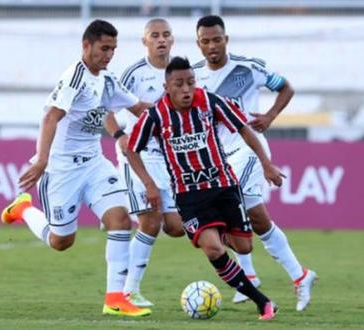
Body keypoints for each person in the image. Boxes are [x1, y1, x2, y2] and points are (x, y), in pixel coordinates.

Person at [0, 19, 152, 317]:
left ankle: (115, 299)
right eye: (104, 48)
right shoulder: (75, 77)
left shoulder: (107, 80)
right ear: (87, 46)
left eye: (113, 49)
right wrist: (42, 160)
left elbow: (139, 108)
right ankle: (24, 210)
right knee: (61, 242)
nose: (109, 55)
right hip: (62, 170)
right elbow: (50, 118)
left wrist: (180, 107)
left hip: (95, 164)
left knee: (120, 219)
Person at [126, 56, 284, 320]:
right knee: (212, 249)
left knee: (244, 247)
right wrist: (149, 184)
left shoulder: (210, 102)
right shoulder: (155, 115)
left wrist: (266, 164)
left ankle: (217, 230)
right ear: (167, 87)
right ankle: (263, 303)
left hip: (223, 185)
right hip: (189, 196)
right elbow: (131, 149)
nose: (186, 89)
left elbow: (244, 130)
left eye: (190, 82)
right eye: (179, 84)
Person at [193, 14, 317, 310]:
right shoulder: (193, 76)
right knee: (258, 219)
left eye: (217, 39)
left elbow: (286, 87)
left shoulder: (248, 67)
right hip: (218, 155)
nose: (212, 46)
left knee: (222, 204)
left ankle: (249, 273)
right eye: (206, 41)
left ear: (226, 39)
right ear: (199, 44)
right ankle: (300, 276)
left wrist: (270, 116)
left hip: (249, 148)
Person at [103, 18, 184, 308]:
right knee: (151, 220)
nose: (161, 40)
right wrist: (120, 134)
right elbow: (106, 110)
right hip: (137, 154)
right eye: (155, 35)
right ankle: (127, 291)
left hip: (169, 157)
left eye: (165, 35)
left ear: (172, 40)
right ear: (144, 41)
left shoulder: (182, 73)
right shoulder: (134, 74)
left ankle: (126, 203)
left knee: (175, 226)